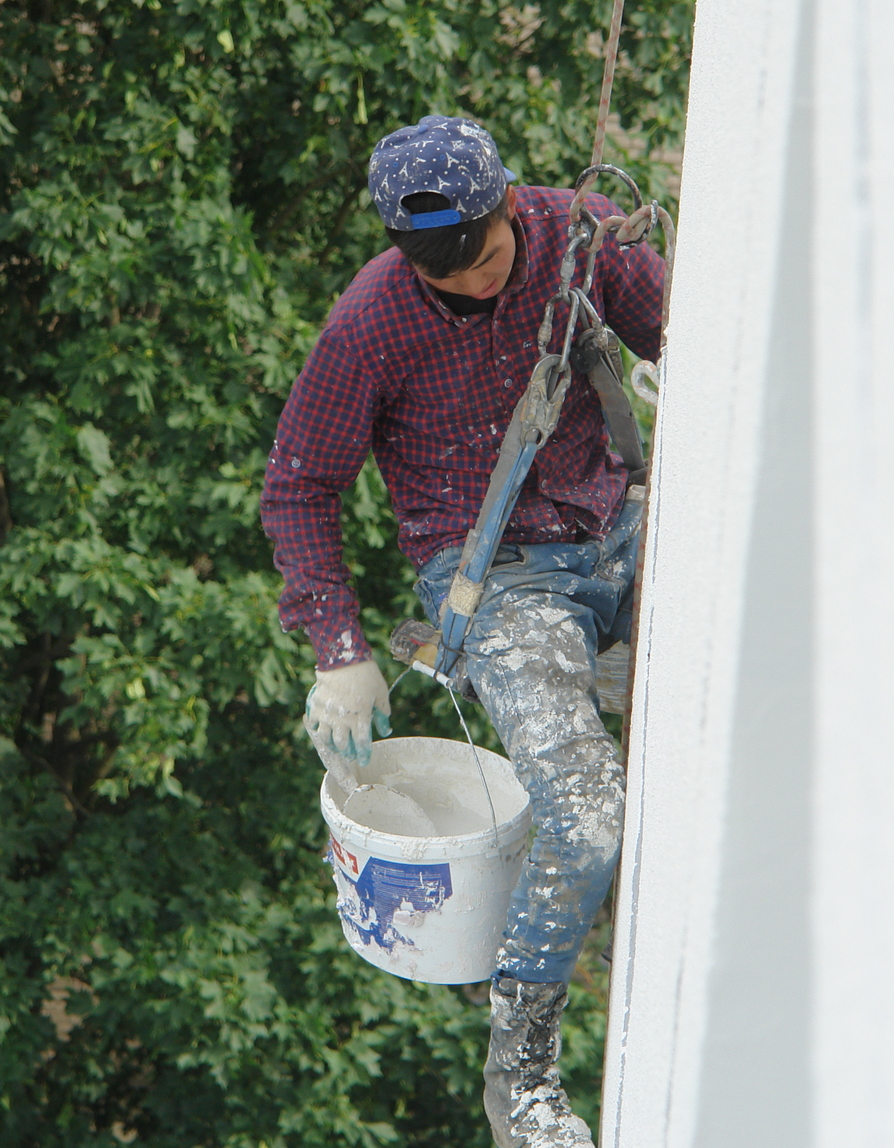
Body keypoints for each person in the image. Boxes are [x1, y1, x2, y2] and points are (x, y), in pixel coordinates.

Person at [260, 115, 665, 1147]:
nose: (480, 286)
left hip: (621, 520)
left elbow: (705, 342)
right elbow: (300, 487)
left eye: (487, 259)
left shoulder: (582, 238)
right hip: (502, 585)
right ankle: (521, 1082)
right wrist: (337, 653)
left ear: (506, 205)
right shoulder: (370, 328)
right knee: (583, 815)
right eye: (450, 280)